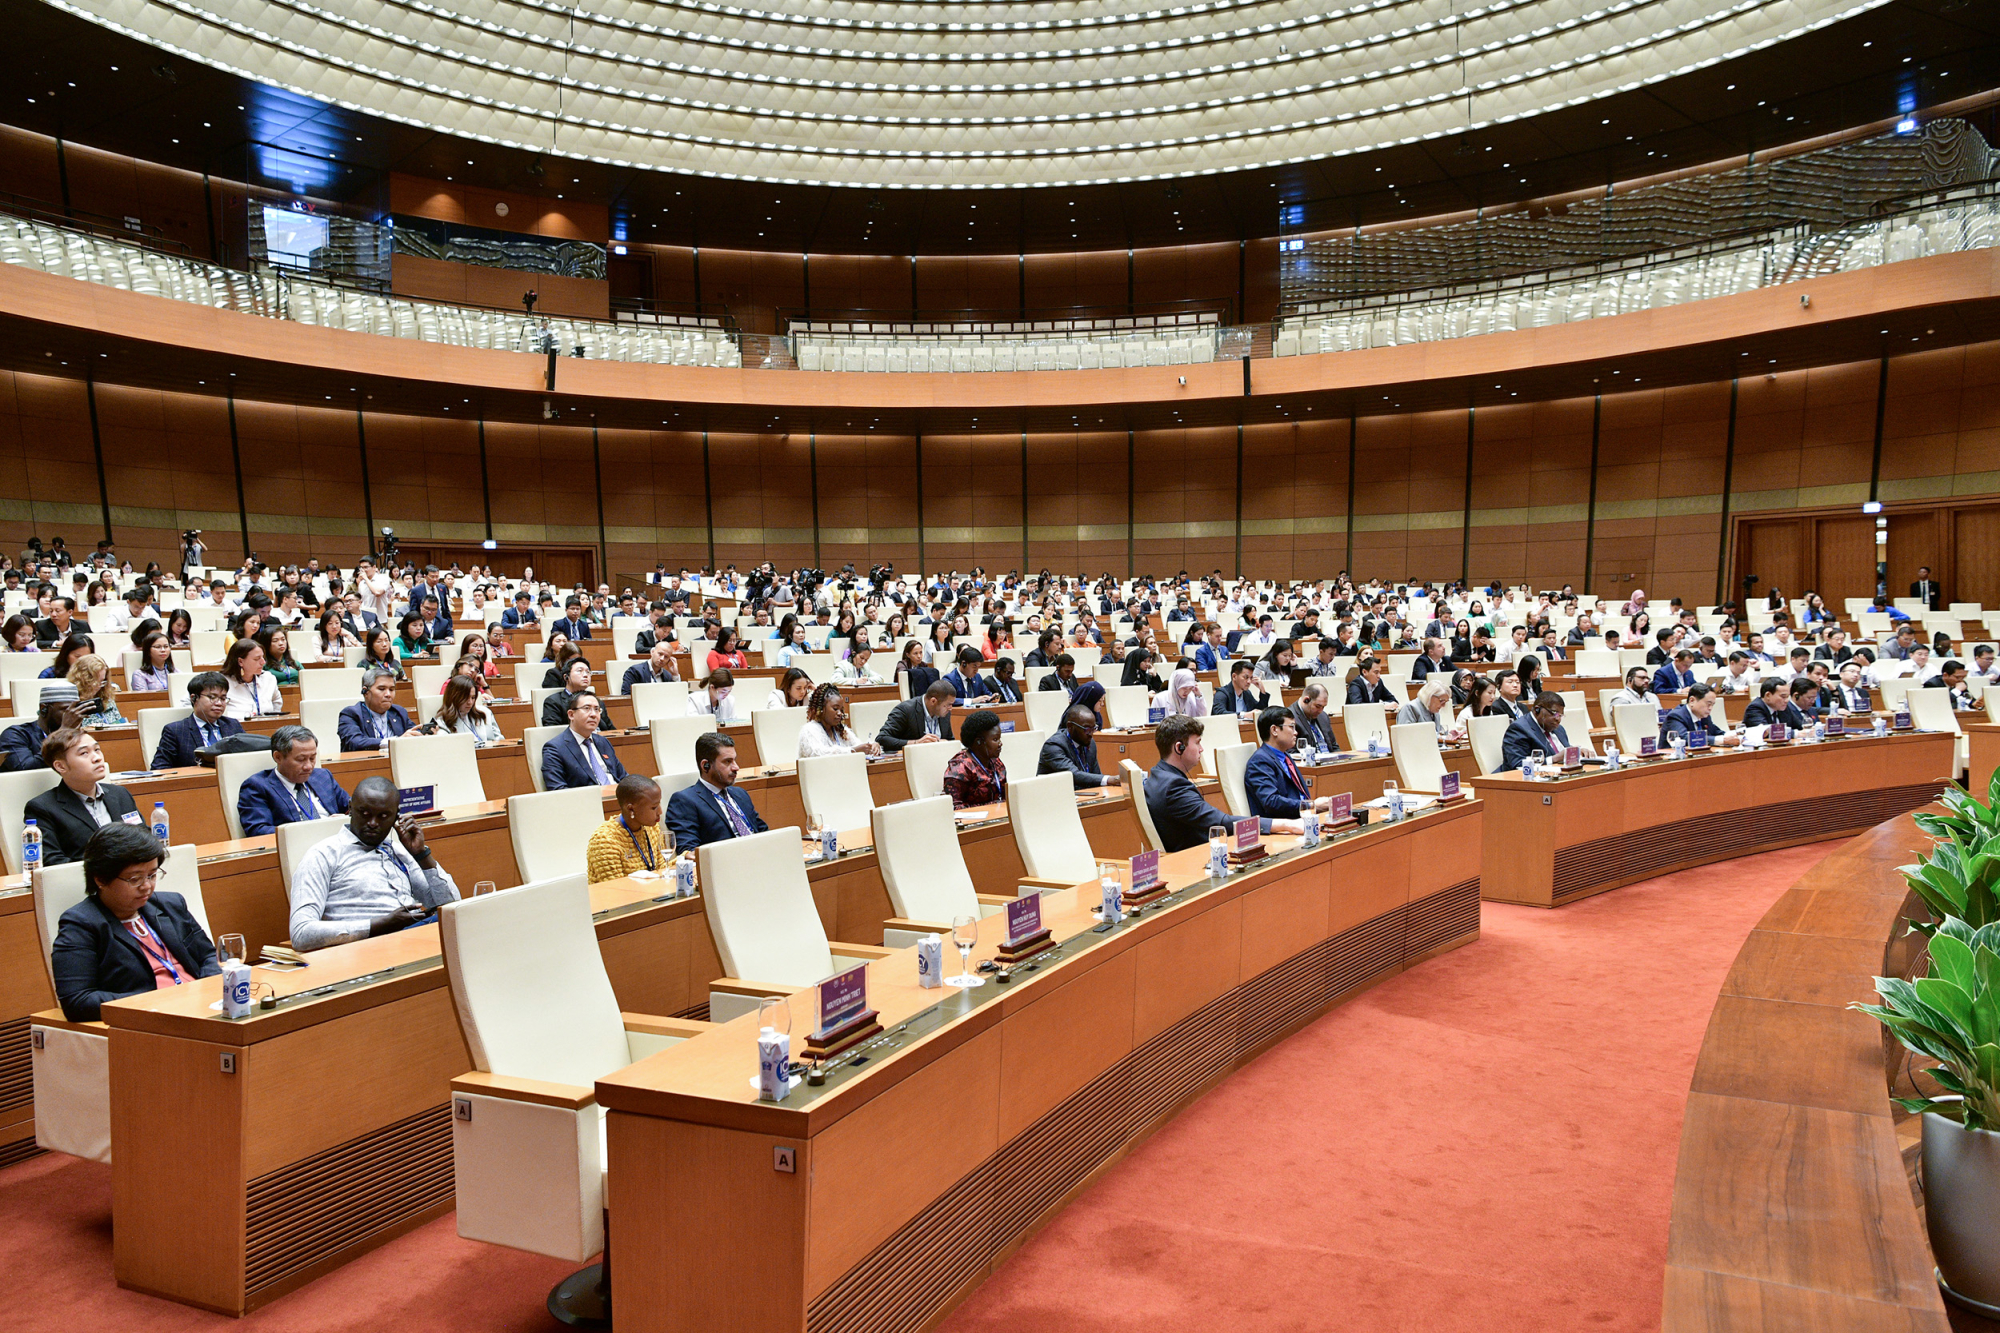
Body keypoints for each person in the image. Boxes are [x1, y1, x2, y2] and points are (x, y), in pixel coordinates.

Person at [50, 824, 222, 1022]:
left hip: (204, 1008)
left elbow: (209, 956)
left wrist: (209, 989)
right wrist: (157, 1000)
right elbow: (77, 1002)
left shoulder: (170, 904)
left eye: (152, 875)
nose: (147, 886)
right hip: (150, 1020)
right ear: (101, 879)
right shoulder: (81, 924)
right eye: (135, 879)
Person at [287, 776, 461, 952]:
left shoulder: (400, 851)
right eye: (365, 813)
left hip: (412, 941)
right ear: (350, 808)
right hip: (362, 950)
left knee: (461, 921)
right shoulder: (323, 855)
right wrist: (379, 925)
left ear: (396, 816)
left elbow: (451, 905)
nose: (372, 823)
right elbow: (301, 933)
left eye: (383, 816)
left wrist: (421, 854)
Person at [1143, 715, 1298, 852]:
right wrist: (1284, 825)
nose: (1201, 749)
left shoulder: (1158, 774)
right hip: (1196, 858)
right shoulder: (1173, 787)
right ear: (1179, 747)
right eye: (1197, 743)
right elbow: (1220, 822)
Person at [24, 728, 140, 866]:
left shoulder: (120, 794)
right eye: (84, 753)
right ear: (61, 766)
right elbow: (52, 861)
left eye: (97, 749)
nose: (97, 758)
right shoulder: (42, 808)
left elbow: (144, 838)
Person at [237, 724, 351, 835]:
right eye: (301, 759)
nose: (309, 766)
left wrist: (347, 818)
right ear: (278, 757)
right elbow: (258, 830)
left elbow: (354, 807)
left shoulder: (322, 776)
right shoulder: (257, 786)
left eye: (312, 758)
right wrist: (312, 830)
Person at [664, 732, 769, 851]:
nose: (736, 767)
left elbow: (764, 832)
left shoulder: (740, 794)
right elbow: (688, 849)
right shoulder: (685, 801)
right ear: (706, 766)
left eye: (734, 760)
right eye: (727, 762)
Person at [1243, 707, 1334, 821]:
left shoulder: (1285, 756)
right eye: (1291, 727)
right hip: (1283, 826)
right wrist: (1311, 805)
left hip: (1301, 818)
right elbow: (1271, 801)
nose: (1296, 732)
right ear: (1274, 730)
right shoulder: (1259, 761)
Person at [586, 775, 672, 883]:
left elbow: (661, 870)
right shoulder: (605, 841)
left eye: (659, 804)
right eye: (654, 807)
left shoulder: (652, 829)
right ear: (631, 809)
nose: (660, 812)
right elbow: (616, 889)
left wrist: (686, 858)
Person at [150, 672, 244, 769]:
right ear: (194, 698)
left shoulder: (233, 725)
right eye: (212, 697)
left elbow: (247, 759)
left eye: (223, 698)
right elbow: (159, 769)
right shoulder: (175, 731)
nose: (219, 703)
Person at [541, 690, 628, 790]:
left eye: (597, 709)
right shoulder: (555, 748)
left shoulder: (603, 742)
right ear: (571, 715)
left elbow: (623, 777)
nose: (593, 715)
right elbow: (557, 789)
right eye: (587, 708)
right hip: (589, 802)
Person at [1038, 703, 1119, 789]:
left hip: (1083, 796)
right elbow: (1073, 775)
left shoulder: (1090, 743)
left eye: (1093, 728)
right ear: (1070, 727)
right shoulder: (1054, 746)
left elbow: (1096, 776)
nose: (1091, 734)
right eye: (1087, 729)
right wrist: (1110, 779)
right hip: (1053, 796)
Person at [2, 685, 83, 771]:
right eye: (66, 710)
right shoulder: (15, 734)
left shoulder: (76, 735)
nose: (73, 715)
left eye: (76, 709)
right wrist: (62, 734)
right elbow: (26, 770)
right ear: (43, 708)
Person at [941, 710, 1007, 809]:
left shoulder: (996, 763)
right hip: (972, 821)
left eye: (999, 739)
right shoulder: (960, 768)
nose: (1000, 743)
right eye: (995, 739)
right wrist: (991, 807)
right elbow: (953, 807)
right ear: (978, 742)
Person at [338, 667, 414, 752]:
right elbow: (355, 742)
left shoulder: (398, 712)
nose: (388, 694)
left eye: (391, 689)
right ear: (365, 692)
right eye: (382, 689)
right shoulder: (351, 714)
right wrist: (394, 742)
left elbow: (414, 732)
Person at [798, 684, 882, 758]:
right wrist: (852, 751)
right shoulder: (809, 730)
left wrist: (872, 746)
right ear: (821, 709)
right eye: (835, 709)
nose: (840, 713)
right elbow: (818, 755)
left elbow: (858, 746)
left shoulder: (841, 729)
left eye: (841, 710)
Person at [1498, 694, 1573, 772]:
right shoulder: (1519, 729)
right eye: (1554, 713)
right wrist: (1554, 759)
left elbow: (1564, 751)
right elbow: (1517, 765)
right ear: (1537, 710)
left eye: (1560, 715)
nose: (1558, 719)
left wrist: (1577, 752)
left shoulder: (1559, 729)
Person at [877, 680, 957, 751]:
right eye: (948, 705)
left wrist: (946, 743)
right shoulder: (906, 710)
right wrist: (916, 743)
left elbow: (950, 739)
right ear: (933, 701)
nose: (950, 708)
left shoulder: (944, 712)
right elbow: (882, 738)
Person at [426, 675, 503, 746]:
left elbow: (500, 741)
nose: (470, 702)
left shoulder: (486, 713)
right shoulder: (442, 723)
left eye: (473, 698)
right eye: (465, 698)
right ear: (454, 697)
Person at [1661, 683, 1741, 747]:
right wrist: (1722, 740)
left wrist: (1733, 736)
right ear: (1692, 700)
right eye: (1708, 704)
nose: (1710, 708)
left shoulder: (1704, 717)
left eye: (1713, 705)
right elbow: (1685, 739)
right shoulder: (1676, 716)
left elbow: (1715, 731)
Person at [67, 654, 126, 729]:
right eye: (94, 680)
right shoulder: (71, 703)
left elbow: (119, 725)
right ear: (82, 679)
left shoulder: (107, 700)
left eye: (102, 681)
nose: (98, 686)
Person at [542, 655, 597, 726]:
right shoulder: (553, 702)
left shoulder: (596, 702)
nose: (585, 675)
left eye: (588, 672)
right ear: (566, 677)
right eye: (580, 671)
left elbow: (610, 729)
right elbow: (552, 731)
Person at [1742, 677, 1807, 731]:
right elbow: (1766, 731)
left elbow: (1799, 727)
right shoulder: (1755, 708)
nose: (1787, 700)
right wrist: (1795, 734)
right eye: (1783, 697)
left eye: (1788, 697)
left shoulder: (1783, 707)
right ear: (1768, 695)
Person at [1291, 683, 1337, 753]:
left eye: (1323, 707)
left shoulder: (1323, 716)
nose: (1320, 711)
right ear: (1306, 700)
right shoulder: (1290, 718)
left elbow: (1334, 747)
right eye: (1318, 706)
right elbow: (1291, 752)